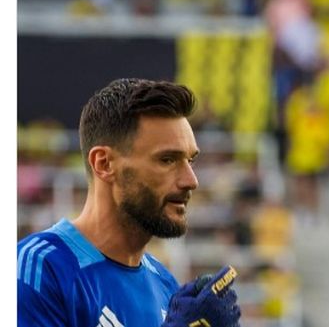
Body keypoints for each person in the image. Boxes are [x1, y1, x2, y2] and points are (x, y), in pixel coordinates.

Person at [17, 78, 242, 327]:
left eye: (191, 161)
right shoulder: (38, 267)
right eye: (167, 160)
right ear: (104, 164)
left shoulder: (165, 285)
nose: (191, 180)